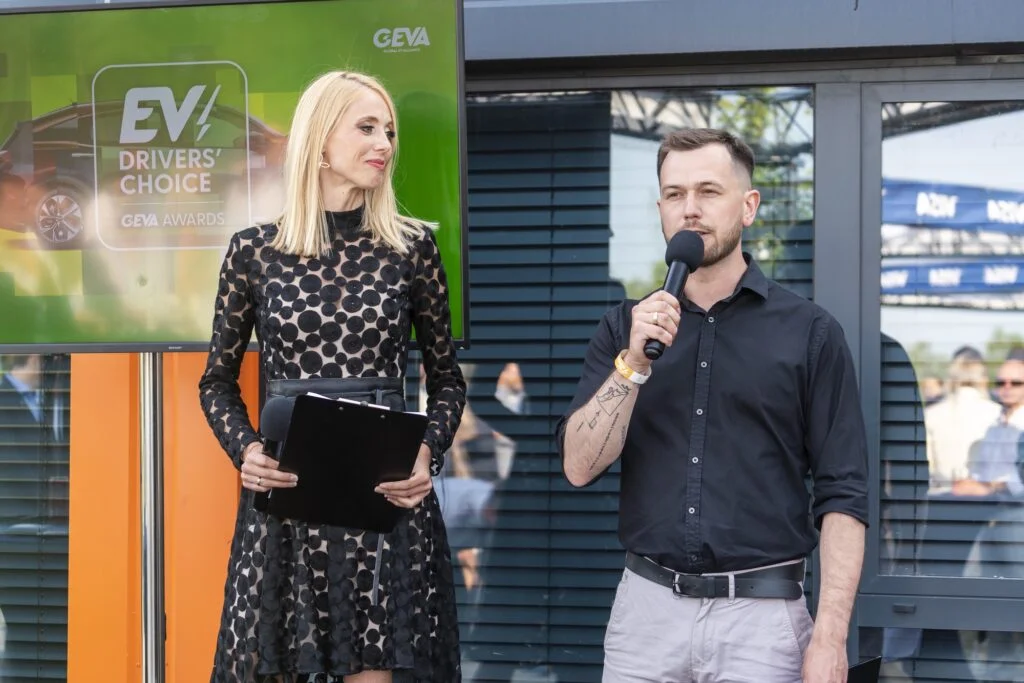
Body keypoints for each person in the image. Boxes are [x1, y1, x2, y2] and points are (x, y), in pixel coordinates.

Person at [556, 128, 869, 683]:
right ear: (660, 209)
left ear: (748, 206)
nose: (690, 209)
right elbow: (579, 466)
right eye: (674, 194)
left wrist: (830, 637)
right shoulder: (625, 329)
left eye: (708, 191)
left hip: (762, 624)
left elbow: (844, 492)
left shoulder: (810, 333)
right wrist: (633, 363)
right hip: (646, 618)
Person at [198, 70, 466, 683]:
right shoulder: (253, 251)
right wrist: (246, 452)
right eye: (367, 128)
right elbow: (216, 381)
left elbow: (447, 379)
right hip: (288, 500)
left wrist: (427, 452)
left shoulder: (412, 249)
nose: (384, 144)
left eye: (389, 131)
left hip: (385, 497)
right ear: (319, 140)